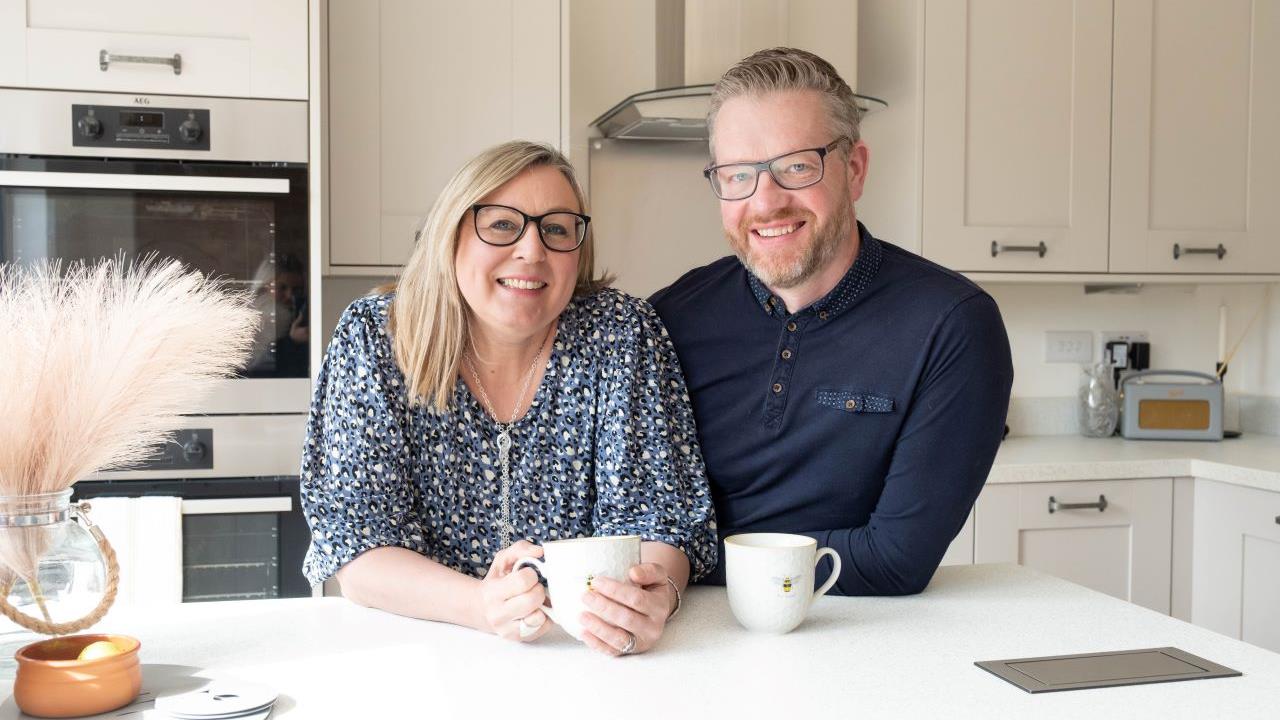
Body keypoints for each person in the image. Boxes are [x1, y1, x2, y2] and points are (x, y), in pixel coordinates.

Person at [301, 141, 717, 655]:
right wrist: (481, 605)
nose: (533, 251)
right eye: (502, 224)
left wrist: (656, 595)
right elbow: (356, 546)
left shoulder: (621, 333)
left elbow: (660, 518)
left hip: (583, 661)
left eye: (557, 229)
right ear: (451, 235)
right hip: (421, 656)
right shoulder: (376, 336)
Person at [650, 48, 1013, 596]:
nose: (765, 201)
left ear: (855, 168)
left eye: (796, 165)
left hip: (856, 640)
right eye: (737, 174)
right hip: (680, 627)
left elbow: (896, 559)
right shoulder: (670, 318)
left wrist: (685, 561)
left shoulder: (953, 325)